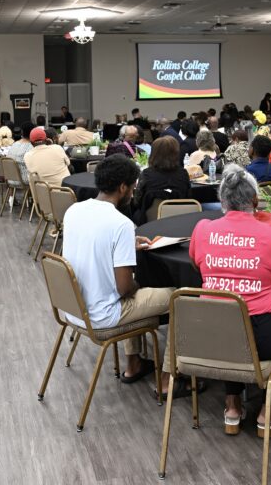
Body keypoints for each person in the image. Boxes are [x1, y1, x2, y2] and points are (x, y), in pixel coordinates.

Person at [189, 165, 271, 434]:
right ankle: (270, 408)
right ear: (255, 201)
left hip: (210, 334)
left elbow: (197, 266)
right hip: (260, 338)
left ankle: (232, 405)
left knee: (229, 317)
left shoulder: (203, 229)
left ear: (222, 202)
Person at [61, 155, 179, 394]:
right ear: (123, 187)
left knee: (133, 291)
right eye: (134, 188)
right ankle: (168, 380)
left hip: (74, 309)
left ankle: (134, 363)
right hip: (103, 315)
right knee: (179, 298)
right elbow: (124, 289)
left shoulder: (74, 210)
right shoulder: (120, 223)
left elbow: (91, 244)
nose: (134, 193)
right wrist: (138, 283)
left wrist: (125, 245)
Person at [130, 136, 190, 224]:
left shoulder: (147, 174)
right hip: (180, 221)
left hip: (149, 222)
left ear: (154, 153)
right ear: (176, 153)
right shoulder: (183, 174)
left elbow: (137, 201)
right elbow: (188, 197)